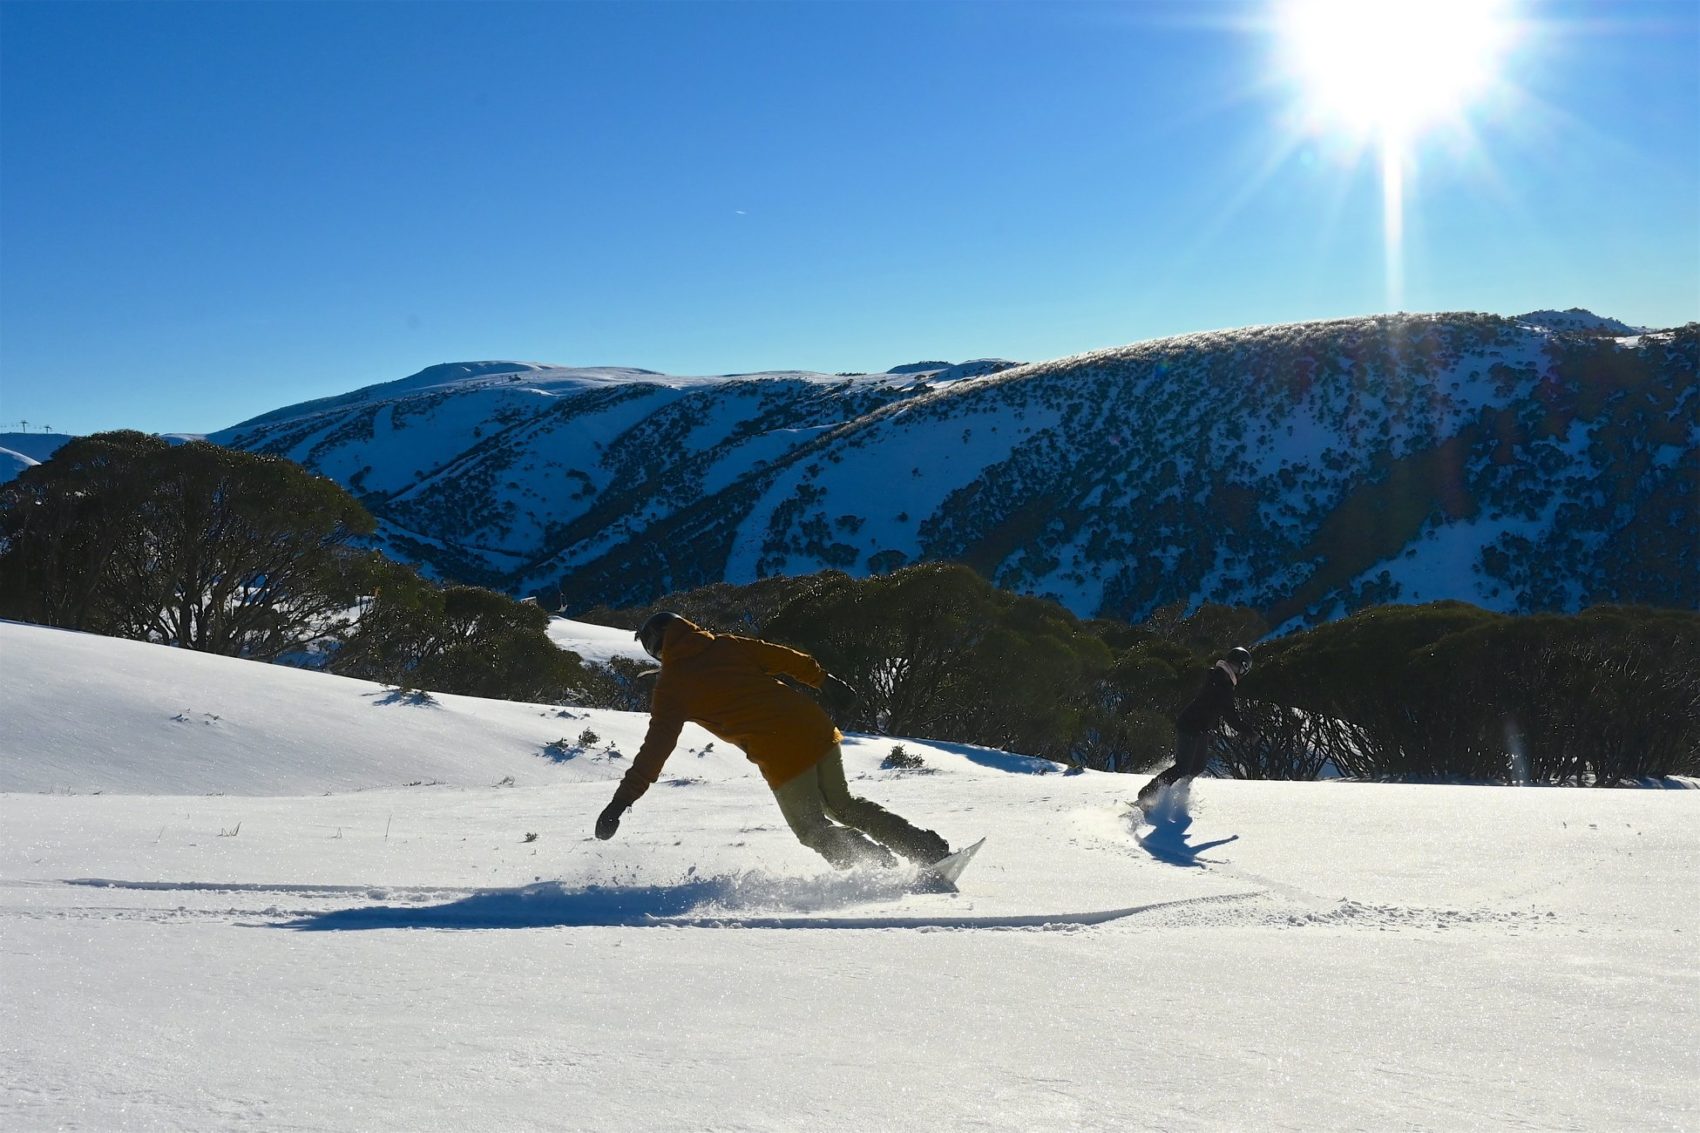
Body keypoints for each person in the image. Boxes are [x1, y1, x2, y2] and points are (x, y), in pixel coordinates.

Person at [594, 611, 951, 870]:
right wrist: (825, 681)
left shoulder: (671, 689)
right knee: (844, 805)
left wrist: (620, 803)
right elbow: (783, 658)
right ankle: (927, 850)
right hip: (814, 726)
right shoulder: (726, 645)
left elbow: (654, 752)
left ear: (656, 649)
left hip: (781, 752)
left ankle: (875, 870)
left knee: (811, 829)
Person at [1135, 646, 1254, 807]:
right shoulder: (1222, 682)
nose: (1238, 671)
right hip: (1190, 726)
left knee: (1197, 767)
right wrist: (1249, 732)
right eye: (1237, 666)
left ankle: (1176, 794)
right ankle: (1147, 795)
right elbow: (1230, 716)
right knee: (1183, 768)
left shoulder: (1220, 678)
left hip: (1200, 728)